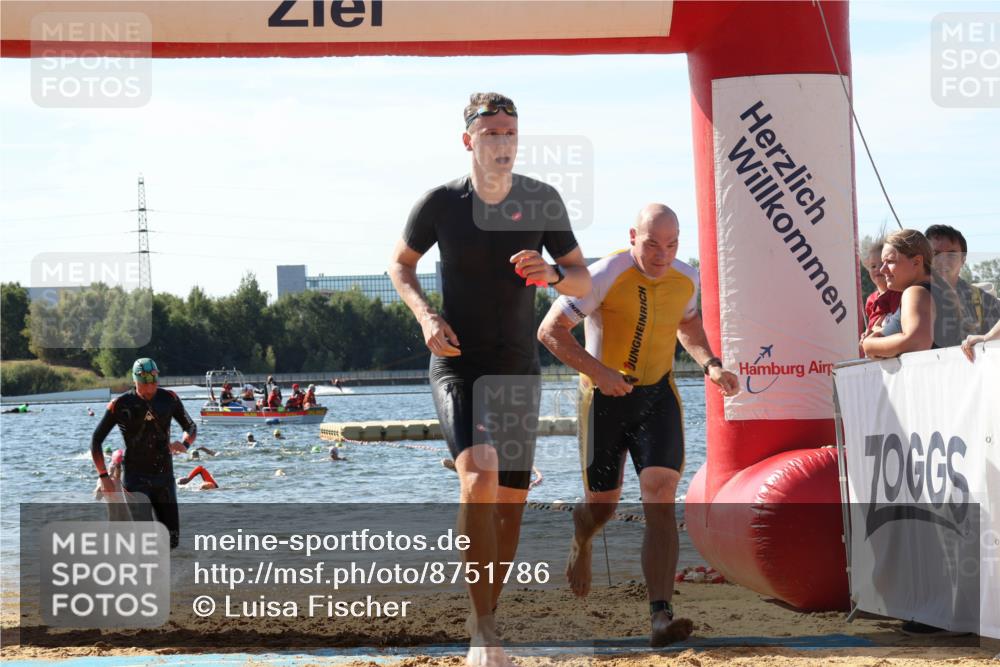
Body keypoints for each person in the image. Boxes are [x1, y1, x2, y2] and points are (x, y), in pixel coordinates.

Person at [388, 92, 591, 666]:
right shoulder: (441, 203)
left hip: (517, 369)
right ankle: (482, 630)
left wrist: (553, 272)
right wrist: (426, 315)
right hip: (457, 361)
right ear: (469, 140)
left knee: (510, 506)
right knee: (478, 476)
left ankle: (489, 620)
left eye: (510, 133)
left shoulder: (541, 200)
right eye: (492, 133)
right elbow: (399, 264)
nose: (503, 142)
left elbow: (581, 281)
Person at [537, 203, 739, 647]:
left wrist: (710, 364)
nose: (661, 254)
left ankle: (661, 616)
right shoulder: (605, 274)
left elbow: (688, 324)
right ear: (633, 236)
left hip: (656, 399)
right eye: (651, 244)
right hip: (603, 403)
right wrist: (600, 373)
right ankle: (582, 536)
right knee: (602, 508)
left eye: (671, 244)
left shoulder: (687, 277)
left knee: (661, 494)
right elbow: (550, 332)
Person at [91, 358, 196, 549]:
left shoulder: (169, 398)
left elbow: (190, 426)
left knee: (171, 540)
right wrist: (104, 476)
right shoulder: (120, 404)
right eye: (146, 379)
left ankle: (170, 576)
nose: (151, 383)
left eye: (154, 378)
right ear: (136, 380)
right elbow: (96, 440)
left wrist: (185, 443)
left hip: (164, 476)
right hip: (135, 476)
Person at [862, 229, 936, 359]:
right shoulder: (943, 291)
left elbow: (916, 342)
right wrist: (881, 333)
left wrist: (869, 345)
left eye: (890, 261)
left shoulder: (915, 292)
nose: (882, 269)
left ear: (917, 262)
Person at [925, 224, 1000, 347]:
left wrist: (988, 337)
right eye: (935, 253)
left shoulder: (983, 301)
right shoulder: (906, 295)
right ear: (925, 257)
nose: (943, 260)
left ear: (963, 259)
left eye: (951, 254)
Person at [861, 239, 902, 338]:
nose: (879, 269)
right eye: (873, 266)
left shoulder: (897, 294)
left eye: (884, 264)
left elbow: (897, 324)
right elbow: (872, 324)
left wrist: (877, 330)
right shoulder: (871, 300)